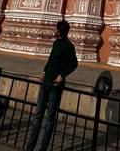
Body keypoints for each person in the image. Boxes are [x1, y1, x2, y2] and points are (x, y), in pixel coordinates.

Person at [25, 19, 78, 151]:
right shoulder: (56, 43)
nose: (54, 31)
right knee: (38, 114)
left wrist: (62, 75)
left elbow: (74, 63)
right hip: (46, 80)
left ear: (60, 31)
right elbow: (51, 59)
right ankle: (29, 147)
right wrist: (44, 71)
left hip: (55, 84)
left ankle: (43, 148)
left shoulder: (68, 46)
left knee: (50, 118)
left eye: (56, 29)